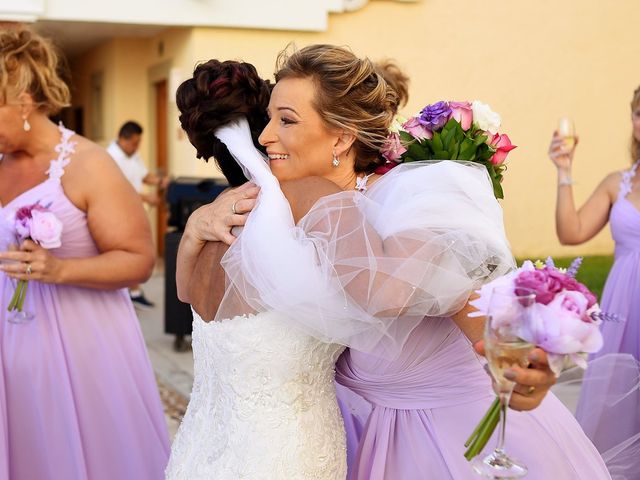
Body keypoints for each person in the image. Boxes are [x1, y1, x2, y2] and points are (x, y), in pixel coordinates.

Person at [167, 46, 610, 479]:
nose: (265, 137)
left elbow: (454, 300)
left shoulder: (397, 206)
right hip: (362, 436)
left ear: (341, 137)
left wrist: (519, 360)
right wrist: (196, 230)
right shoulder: (277, 206)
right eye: (268, 121)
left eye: (286, 121)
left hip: (451, 436)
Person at [0, 25, 169, 480]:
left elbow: (137, 258)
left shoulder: (88, 164)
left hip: (77, 347)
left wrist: (59, 268)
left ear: (21, 101)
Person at [549, 87, 640, 478]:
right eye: (639, 112)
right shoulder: (617, 183)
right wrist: (564, 171)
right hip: (624, 309)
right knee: (617, 411)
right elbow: (572, 232)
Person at [107, 120, 168, 309]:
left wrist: (159, 181)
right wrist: (145, 198)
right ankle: (128, 293)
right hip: (117, 213)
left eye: (138, 143)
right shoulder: (111, 158)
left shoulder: (132, 154)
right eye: (134, 143)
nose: (137, 147)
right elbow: (117, 190)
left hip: (134, 211)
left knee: (135, 251)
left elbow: (143, 175)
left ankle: (134, 292)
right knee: (127, 253)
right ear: (122, 140)